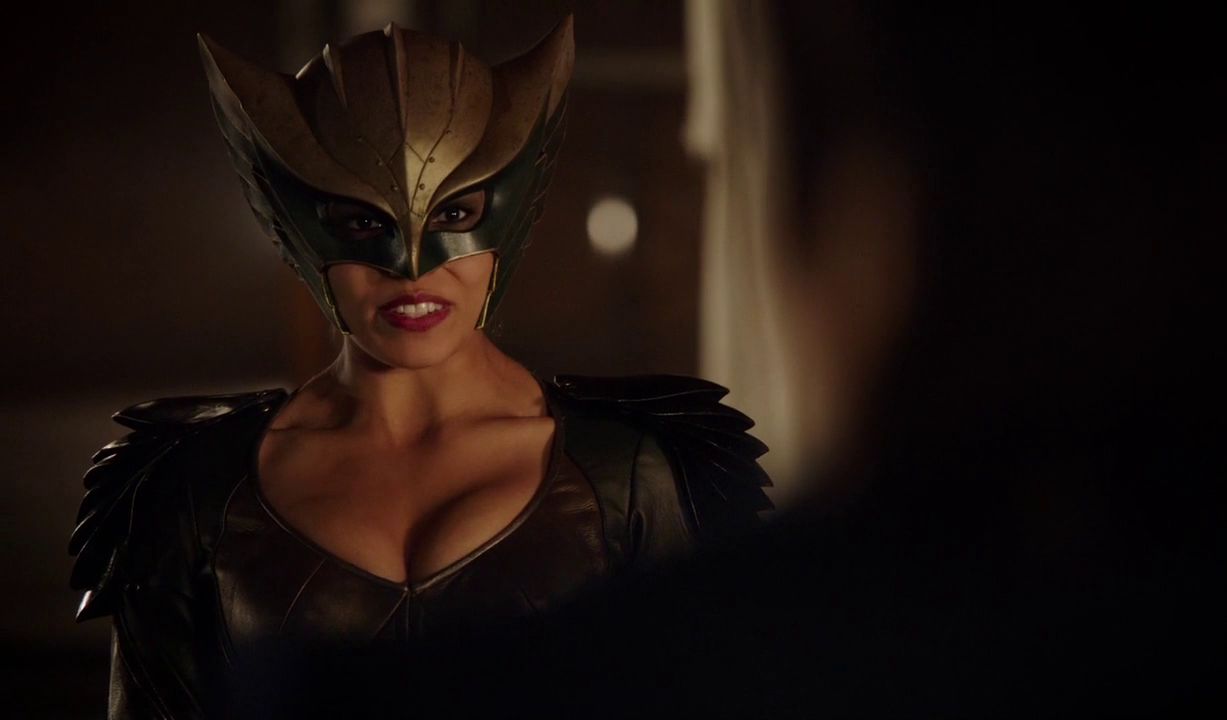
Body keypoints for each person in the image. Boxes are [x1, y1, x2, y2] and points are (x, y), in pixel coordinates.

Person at [67, 16, 771, 719]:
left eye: (455, 214)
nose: (410, 269)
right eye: (362, 222)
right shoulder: (187, 487)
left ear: (509, 208)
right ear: (296, 224)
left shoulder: (640, 473)